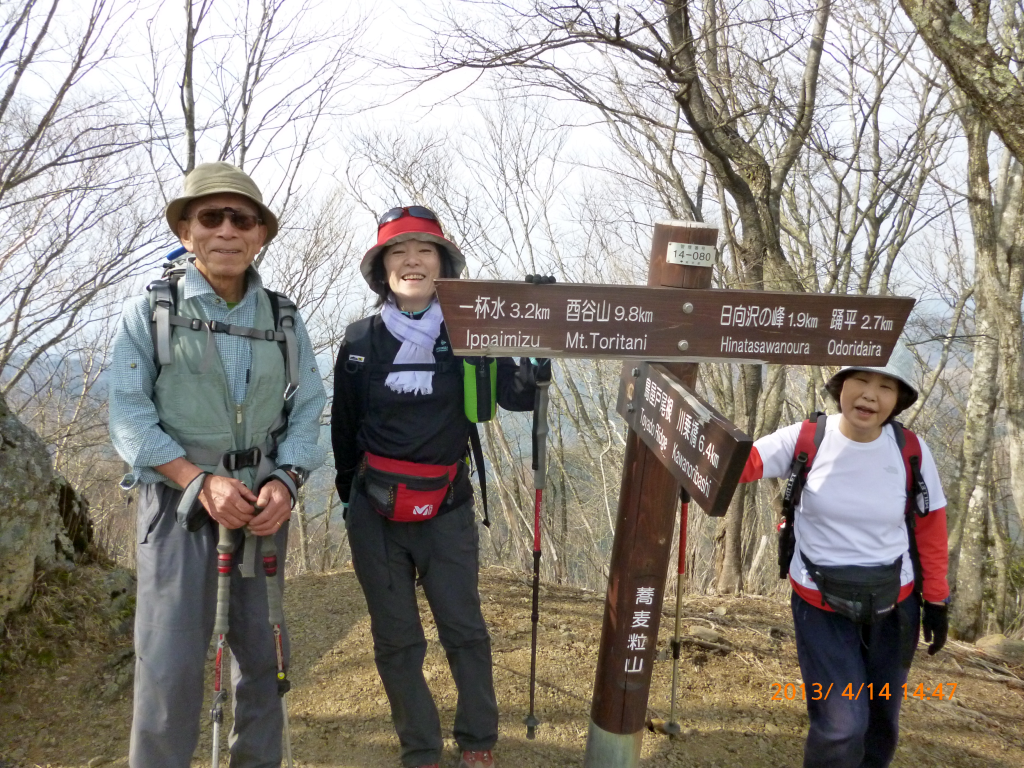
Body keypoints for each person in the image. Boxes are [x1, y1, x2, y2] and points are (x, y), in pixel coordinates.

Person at [109, 161, 326, 768]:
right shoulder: (150, 312)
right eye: (211, 217)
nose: (227, 229)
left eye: (243, 218)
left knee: (263, 658)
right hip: (177, 509)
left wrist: (288, 479)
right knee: (170, 664)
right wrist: (197, 480)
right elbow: (128, 416)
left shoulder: (284, 319)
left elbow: (309, 408)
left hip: (262, 506)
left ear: (260, 235)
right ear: (187, 231)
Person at [331, 206, 543, 768]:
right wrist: (350, 497)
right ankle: (419, 748)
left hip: (448, 505)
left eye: (425, 251)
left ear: (443, 264)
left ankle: (477, 739)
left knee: (463, 628)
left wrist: (535, 344)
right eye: (398, 253)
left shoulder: (470, 333)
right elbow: (344, 427)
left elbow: (515, 397)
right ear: (382, 270)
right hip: (375, 514)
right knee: (396, 639)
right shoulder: (359, 342)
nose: (412, 261)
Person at [738, 342, 949, 768]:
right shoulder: (807, 438)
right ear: (841, 386)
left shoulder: (910, 451)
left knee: (880, 719)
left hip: (896, 605)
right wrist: (689, 446)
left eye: (886, 387)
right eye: (862, 380)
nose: (871, 394)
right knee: (841, 726)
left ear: (899, 399)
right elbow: (740, 464)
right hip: (821, 607)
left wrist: (938, 601)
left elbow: (931, 529)